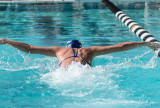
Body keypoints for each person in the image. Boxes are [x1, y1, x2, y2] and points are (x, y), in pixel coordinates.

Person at [0, 38, 158, 67]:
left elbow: (29, 48)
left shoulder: (59, 50)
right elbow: (121, 46)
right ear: (80, 46)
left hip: (63, 76)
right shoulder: (90, 50)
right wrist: (147, 43)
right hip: (85, 73)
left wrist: (7, 41)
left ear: (67, 46)